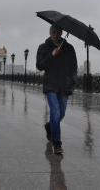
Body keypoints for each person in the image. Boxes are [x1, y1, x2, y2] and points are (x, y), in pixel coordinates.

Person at [36, 24, 77, 154]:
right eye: (53, 32)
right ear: (50, 33)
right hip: (51, 85)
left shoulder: (69, 48)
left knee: (61, 113)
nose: (56, 34)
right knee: (55, 112)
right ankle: (57, 143)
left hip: (64, 86)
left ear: (61, 33)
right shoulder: (43, 47)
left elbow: (74, 67)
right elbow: (39, 66)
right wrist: (52, 55)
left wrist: (72, 82)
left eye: (58, 32)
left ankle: (49, 126)